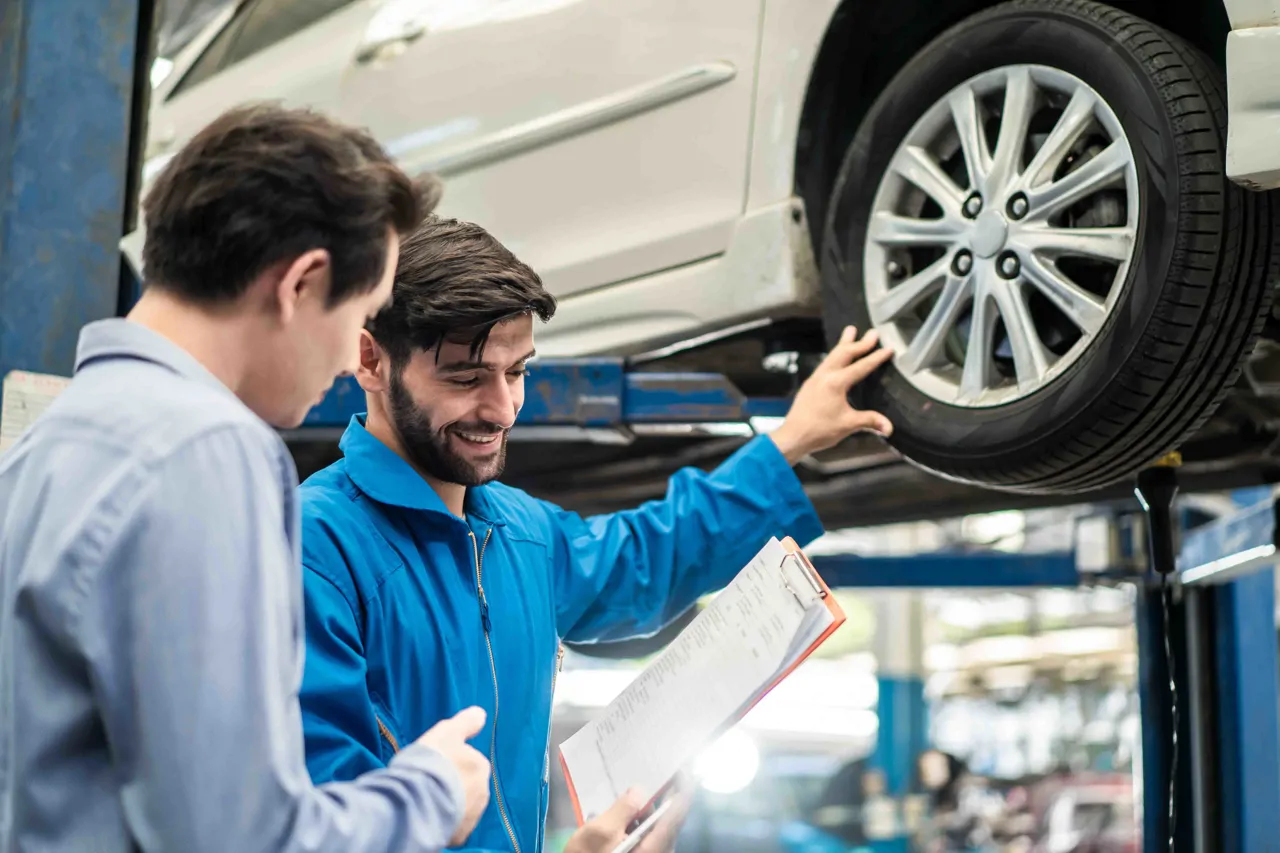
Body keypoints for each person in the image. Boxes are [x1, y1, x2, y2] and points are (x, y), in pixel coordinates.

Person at [296, 216, 895, 852]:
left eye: (517, 371)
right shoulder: (315, 549)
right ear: (372, 361)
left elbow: (649, 554)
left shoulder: (520, 532)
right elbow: (320, 830)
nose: (502, 409)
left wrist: (792, 438)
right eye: (466, 378)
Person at [0, 104, 493, 852]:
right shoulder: (206, 451)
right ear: (302, 283)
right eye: (360, 312)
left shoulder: (46, 445)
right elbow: (240, 835)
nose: (341, 366)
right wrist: (428, 792)